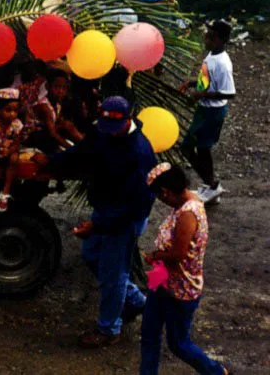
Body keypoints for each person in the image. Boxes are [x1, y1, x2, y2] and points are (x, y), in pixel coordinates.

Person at [44, 96, 157, 348]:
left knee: (112, 272)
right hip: (106, 208)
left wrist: (98, 225)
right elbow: (84, 150)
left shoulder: (139, 153)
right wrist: (52, 161)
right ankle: (136, 301)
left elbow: (137, 204)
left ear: (128, 120)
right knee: (92, 253)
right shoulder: (104, 131)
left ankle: (108, 329)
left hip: (124, 218)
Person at [140, 163, 228, 375]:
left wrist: (154, 256)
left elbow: (178, 255)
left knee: (179, 343)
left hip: (180, 288)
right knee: (149, 332)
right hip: (161, 279)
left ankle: (215, 371)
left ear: (166, 192)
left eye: (160, 197)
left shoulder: (188, 213)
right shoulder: (182, 204)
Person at [179, 20, 235, 204]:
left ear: (221, 40)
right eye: (207, 34)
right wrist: (192, 83)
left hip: (213, 112)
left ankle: (212, 185)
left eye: (211, 37)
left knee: (196, 148)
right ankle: (210, 184)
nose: (206, 39)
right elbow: (209, 79)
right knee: (197, 148)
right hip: (204, 109)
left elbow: (230, 93)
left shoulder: (223, 63)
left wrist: (201, 94)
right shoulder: (212, 55)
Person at [24, 68, 83, 154]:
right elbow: (52, 133)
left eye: (64, 88)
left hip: (47, 133)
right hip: (34, 135)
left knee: (67, 124)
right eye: (57, 87)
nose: (60, 91)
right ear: (48, 86)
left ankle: (85, 145)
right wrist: (70, 148)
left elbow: (59, 123)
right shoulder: (44, 106)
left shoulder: (58, 104)